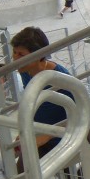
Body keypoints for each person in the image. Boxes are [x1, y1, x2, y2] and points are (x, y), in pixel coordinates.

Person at [11, 27, 74, 159]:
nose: (15, 58)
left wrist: (45, 137)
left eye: (21, 55)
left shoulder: (60, 78)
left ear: (39, 56)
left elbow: (78, 114)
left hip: (62, 138)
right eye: (14, 52)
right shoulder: (26, 71)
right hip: (39, 134)